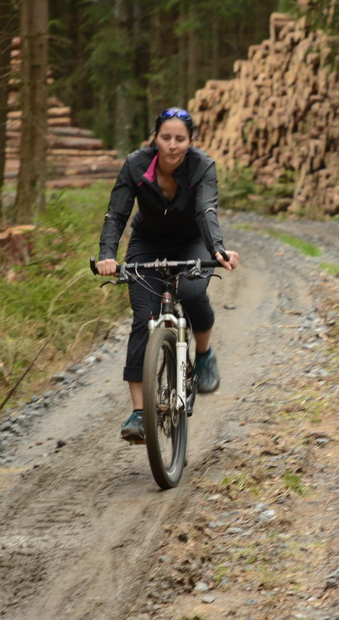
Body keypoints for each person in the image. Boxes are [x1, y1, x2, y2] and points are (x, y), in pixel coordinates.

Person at [96, 107, 240, 443]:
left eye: (180, 139)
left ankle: (203, 355)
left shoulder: (202, 166)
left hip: (193, 241)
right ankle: (139, 413)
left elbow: (206, 210)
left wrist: (217, 249)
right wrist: (107, 255)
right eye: (166, 138)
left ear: (190, 141)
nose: (172, 145)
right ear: (155, 138)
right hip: (147, 242)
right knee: (142, 318)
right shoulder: (136, 164)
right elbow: (116, 213)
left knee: (192, 294)